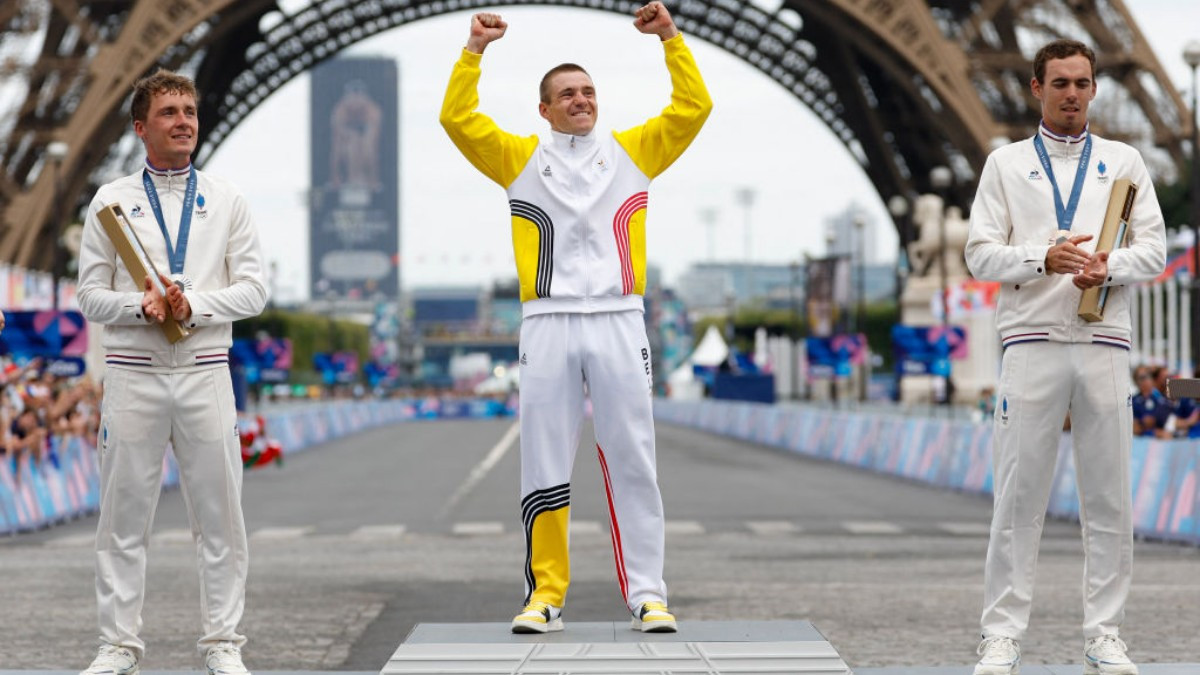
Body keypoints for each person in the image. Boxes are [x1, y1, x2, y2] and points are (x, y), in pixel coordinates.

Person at [440, 1, 711, 635]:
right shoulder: (518, 159)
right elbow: (457, 118)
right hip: (548, 321)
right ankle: (546, 595)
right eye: (567, 94)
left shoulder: (634, 152)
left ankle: (647, 593)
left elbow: (693, 108)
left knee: (633, 457)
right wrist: (474, 50)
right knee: (544, 461)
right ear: (544, 108)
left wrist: (671, 37)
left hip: (619, 317)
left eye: (588, 91)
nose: (580, 100)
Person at [965, 39, 1166, 675]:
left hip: (1104, 340)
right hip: (1032, 342)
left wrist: (1109, 266)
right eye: (1060, 83)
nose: (1072, 93)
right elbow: (978, 255)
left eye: (1082, 82)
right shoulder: (1003, 164)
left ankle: (1104, 633)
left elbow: (1155, 251)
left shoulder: (1126, 160)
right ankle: (1002, 634)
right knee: (1017, 499)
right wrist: (1041, 258)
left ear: (1095, 89)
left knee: (1110, 502)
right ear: (1035, 89)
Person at [76, 69, 267, 675]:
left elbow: (256, 291)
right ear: (141, 127)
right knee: (123, 517)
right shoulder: (110, 201)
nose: (183, 120)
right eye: (168, 112)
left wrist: (195, 302)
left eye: (189, 110)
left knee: (221, 518)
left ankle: (222, 643)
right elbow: (88, 296)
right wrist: (142, 305)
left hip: (205, 369)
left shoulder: (229, 199)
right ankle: (118, 644)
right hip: (134, 372)